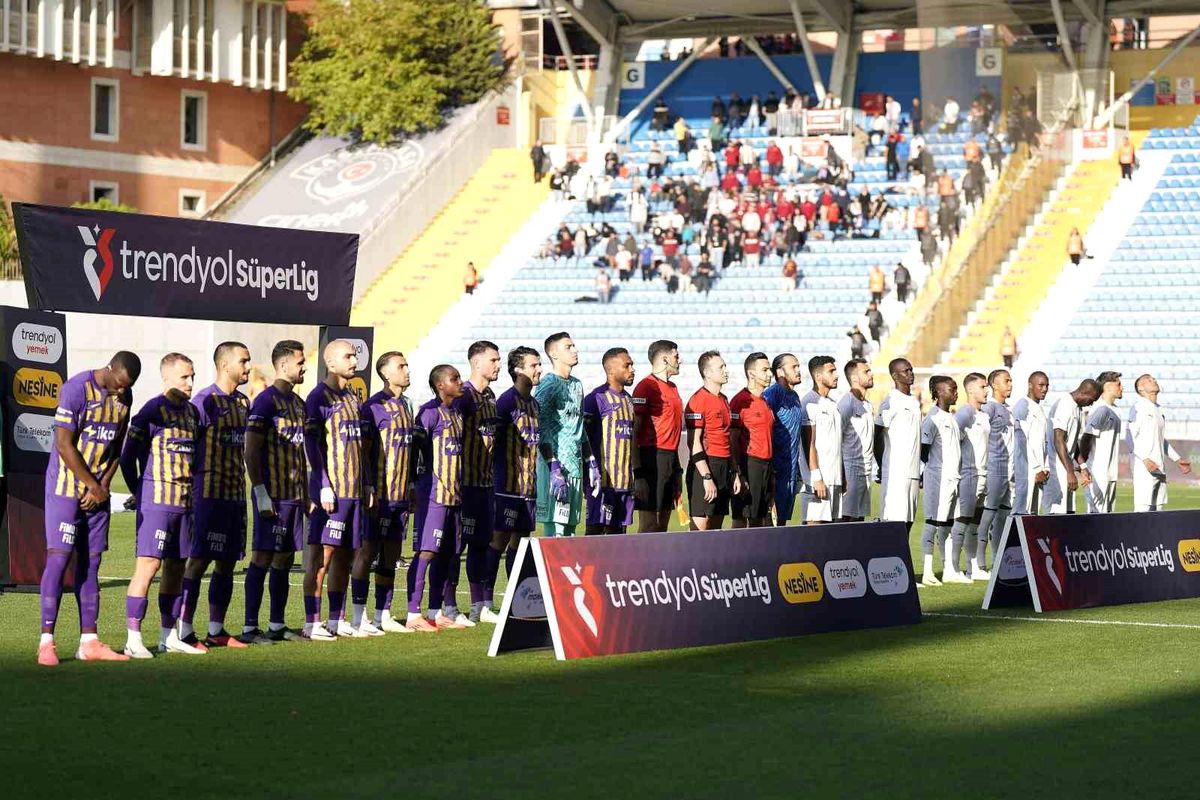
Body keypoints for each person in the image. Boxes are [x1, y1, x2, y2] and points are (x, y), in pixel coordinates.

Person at [38, 352, 140, 666]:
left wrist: (104, 486)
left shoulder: (126, 395)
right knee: (60, 558)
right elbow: (64, 444)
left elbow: (118, 445)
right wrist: (91, 485)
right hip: (66, 488)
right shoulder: (76, 389)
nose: (123, 391)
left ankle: (89, 641)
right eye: (121, 384)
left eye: (128, 387)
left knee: (92, 563)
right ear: (111, 370)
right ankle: (47, 642)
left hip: (98, 494)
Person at [121, 353, 203, 658]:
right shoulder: (152, 411)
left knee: (176, 568)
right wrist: (139, 491)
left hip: (185, 505)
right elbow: (128, 458)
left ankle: (168, 636)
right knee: (149, 566)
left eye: (192, 376)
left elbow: (198, 459)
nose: (191, 383)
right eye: (184, 377)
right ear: (166, 378)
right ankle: (133, 637)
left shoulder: (193, 414)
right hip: (156, 504)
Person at [178, 342, 252, 650]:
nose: (248, 367)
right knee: (198, 561)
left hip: (235, 496)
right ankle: (182, 630)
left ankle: (216, 629)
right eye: (243, 361)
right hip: (208, 495)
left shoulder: (243, 403)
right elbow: (189, 447)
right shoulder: (203, 402)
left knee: (226, 563)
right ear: (225, 365)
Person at [242, 341, 309, 644]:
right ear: (284, 366)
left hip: (293, 495)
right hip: (272, 496)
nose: (304, 367)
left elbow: (300, 453)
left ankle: (277, 625)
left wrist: (306, 494)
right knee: (262, 558)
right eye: (300, 362)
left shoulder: (298, 404)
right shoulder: (265, 402)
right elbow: (251, 449)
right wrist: (260, 491)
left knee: (284, 560)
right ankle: (249, 627)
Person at [302, 339, 367, 641]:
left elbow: (360, 447)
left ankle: (335, 619)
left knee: (345, 557)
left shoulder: (353, 397)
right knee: (322, 558)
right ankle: (311, 622)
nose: (354, 360)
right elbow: (312, 444)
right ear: (330, 363)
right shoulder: (318, 397)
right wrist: (324, 485)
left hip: (354, 492)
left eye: (354, 355)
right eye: (348, 356)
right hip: (332, 495)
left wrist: (366, 482)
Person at [407, 366, 466, 631]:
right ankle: (412, 614)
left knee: (447, 554)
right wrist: (412, 486)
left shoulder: (457, 413)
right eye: (454, 379)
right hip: (433, 495)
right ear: (440, 385)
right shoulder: (428, 413)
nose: (460, 381)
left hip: (454, 495)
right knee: (427, 552)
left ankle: (435, 611)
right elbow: (414, 453)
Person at [488, 347, 541, 605]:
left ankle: (515, 597)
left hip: (528, 485)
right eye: (534, 365)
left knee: (521, 543)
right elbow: (492, 441)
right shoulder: (506, 402)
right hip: (506, 485)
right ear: (519, 370)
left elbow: (539, 441)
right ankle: (484, 600)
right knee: (499, 540)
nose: (539, 369)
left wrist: (551, 466)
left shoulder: (534, 403)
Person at [454, 341, 502, 625]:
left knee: (483, 545)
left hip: (486, 484)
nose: (497, 365)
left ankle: (480, 604)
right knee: (458, 546)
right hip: (466, 485)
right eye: (493, 360)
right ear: (477, 363)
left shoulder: (491, 396)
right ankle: (446, 605)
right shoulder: (463, 397)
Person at [536, 332, 598, 537]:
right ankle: (543, 570)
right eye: (568, 347)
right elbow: (541, 429)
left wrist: (591, 462)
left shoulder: (577, 384)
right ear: (554, 354)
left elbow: (579, 428)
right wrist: (553, 467)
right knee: (557, 531)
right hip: (556, 468)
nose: (575, 350)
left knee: (570, 531)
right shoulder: (548, 385)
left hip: (575, 467)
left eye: (574, 345)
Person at [685, 351, 741, 530]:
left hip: (724, 467)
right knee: (701, 529)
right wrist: (706, 476)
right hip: (707, 466)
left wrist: (734, 472)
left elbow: (728, 439)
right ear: (707, 373)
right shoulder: (698, 400)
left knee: (716, 530)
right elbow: (694, 443)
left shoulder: (724, 400)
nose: (726, 371)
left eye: (725, 366)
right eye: (721, 367)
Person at [583, 349, 637, 535]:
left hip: (625, 482)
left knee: (619, 535)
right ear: (611, 371)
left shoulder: (629, 400)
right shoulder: (595, 399)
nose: (632, 369)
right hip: (603, 483)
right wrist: (588, 475)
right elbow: (584, 439)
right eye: (627, 365)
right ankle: (588, 565)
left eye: (632, 365)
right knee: (596, 532)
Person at [632, 341, 684, 533]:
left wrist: (676, 466)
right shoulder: (646, 386)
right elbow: (635, 431)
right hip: (650, 458)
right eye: (676, 356)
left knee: (663, 524)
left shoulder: (673, 387)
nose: (679, 360)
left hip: (670, 459)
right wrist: (638, 471)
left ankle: (658, 563)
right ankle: (639, 563)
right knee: (649, 524)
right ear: (664, 359)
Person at [919, 376, 965, 586]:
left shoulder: (951, 418)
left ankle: (948, 570)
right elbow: (923, 451)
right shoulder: (932, 419)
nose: (955, 392)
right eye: (951, 389)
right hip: (937, 478)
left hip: (953, 478)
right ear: (938, 393)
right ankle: (928, 571)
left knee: (947, 524)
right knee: (932, 523)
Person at [1127, 374, 1192, 511]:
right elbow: (1129, 437)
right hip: (1144, 467)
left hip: (1159, 467)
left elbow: (1160, 440)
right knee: (1142, 510)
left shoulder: (1159, 409)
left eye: (1154, 379)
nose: (1154, 380)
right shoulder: (1138, 407)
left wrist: (1177, 459)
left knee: (1158, 511)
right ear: (1141, 389)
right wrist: (1145, 459)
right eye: (1149, 380)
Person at [952, 373, 991, 580]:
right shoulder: (964, 414)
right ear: (970, 390)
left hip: (984, 474)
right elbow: (952, 441)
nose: (987, 390)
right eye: (983, 387)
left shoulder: (983, 415)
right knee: (962, 520)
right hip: (968, 474)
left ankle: (972, 566)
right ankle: (953, 568)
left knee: (976, 522)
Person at [1042, 379, 1101, 515]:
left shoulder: (1077, 408)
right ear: (1085, 393)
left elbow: (1072, 442)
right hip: (1056, 469)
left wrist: (1083, 467)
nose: (1091, 404)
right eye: (1092, 399)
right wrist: (1070, 472)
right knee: (1056, 515)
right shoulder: (1065, 404)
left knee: (1068, 515)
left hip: (1066, 468)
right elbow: (1058, 439)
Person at [975, 370, 1015, 570]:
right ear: (994, 385)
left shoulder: (1009, 409)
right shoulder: (989, 408)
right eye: (1006, 381)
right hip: (995, 468)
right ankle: (979, 563)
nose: (1010, 384)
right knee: (988, 516)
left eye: (1010, 381)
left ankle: (998, 561)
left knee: (1003, 517)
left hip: (1009, 470)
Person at [875, 358, 921, 531]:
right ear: (895, 376)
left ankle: (904, 559)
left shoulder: (913, 401)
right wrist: (882, 465)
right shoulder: (891, 401)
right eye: (905, 371)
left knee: (908, 523)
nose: (910, 373)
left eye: (911, 369)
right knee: (894, 524)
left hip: (913, 471)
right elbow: (877, 434)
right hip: (896, 472)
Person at [730, 352, 775, 528]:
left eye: (769, 369)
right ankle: (736, 555)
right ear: (751, 374)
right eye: (765, 369)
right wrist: (737, 473)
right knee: (743, 519)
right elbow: (732, 440)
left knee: (761, 518)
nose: (770, 373)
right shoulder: (740, 401)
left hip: (767, 466)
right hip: (749, 465)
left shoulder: (765, 401)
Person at [798, 356, 843, 524]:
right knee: (813, 532)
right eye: (831, 371)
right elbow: (808, 442)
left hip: (834, 478)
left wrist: (842, 476)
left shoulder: (832, 404)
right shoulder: (809, 403)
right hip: (818, 480)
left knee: (831, 539)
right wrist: (816, 477)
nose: (836, 375)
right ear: (818, 376)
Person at [764, 353, 804, 526]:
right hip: (775, 471)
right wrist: (770, 469)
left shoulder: (795, 397)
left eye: (798, 366)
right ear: (780, 371)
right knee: (768, 523)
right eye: (793, 367)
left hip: (791, 470)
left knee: (781, 523)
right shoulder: (771, 394)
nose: (798, 370)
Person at [1081, 371, 1123, 514]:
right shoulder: (1100, 409)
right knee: (1095, 518)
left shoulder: (1115, 410)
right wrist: (1084, 467)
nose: (1122, 387)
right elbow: (1086, 437)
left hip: (1111, 473)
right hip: (1097, 473)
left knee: (1108, 518)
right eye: (1118, 384)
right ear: (1107, 386)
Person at [838, 358, 875, 522]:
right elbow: (836, 437)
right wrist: (842, 474)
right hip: (850, 469)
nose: (871, 374)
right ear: (854, 378)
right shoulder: (846, 403)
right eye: (866, 372)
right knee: (846, 521)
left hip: (866, 470)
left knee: (859, 520)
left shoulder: (867, 405)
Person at [1012, 371, 1050, 520]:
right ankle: (1009, 543)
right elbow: (1022, 440)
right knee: (1022, 513)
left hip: (1040, 471)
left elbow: (1044, 442)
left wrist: (1045, 467)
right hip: (1027, 470)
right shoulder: (1023, 406)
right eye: (1041, 385)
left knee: (1033, 516)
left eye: (1047, 385)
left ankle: (1026, 544)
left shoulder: (1039, 408)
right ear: (1030, 385)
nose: (1045, 389)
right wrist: (1035, 469)